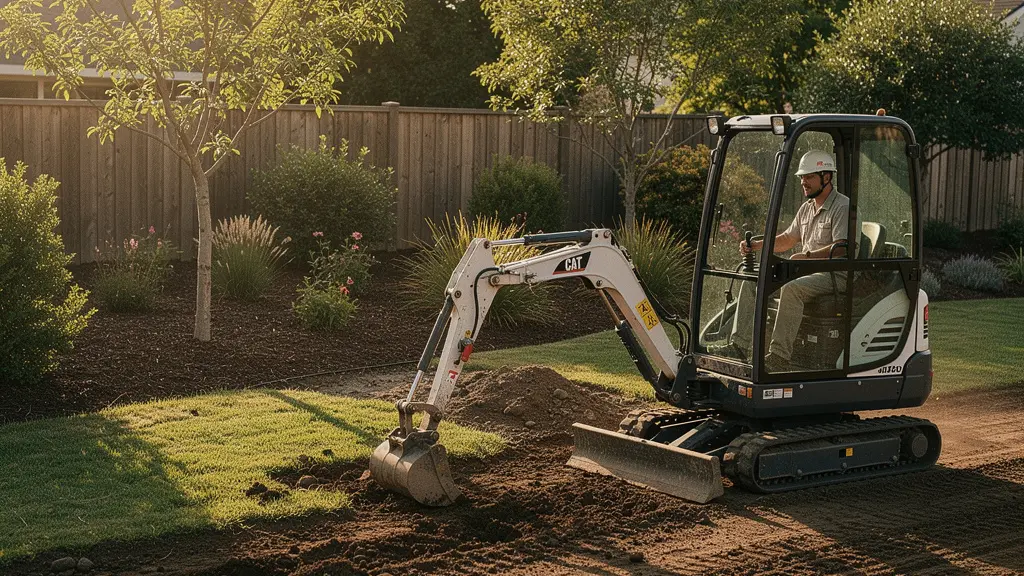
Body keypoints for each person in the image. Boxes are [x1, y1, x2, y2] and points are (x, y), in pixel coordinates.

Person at [713, 149, 849, 372]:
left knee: (792, 289)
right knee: (753, 281)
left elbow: (842, 249)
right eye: (802, 177)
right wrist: (756, 245)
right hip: (806, 271)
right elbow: (787, 239)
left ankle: (778, 357)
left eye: (810, 177)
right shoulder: (807, 208)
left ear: (827, 177)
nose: (804, 182)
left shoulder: (842, 207)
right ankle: (738, 346)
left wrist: (805, 257)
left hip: (833, 275)